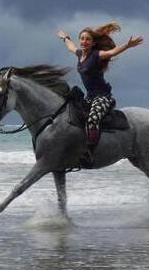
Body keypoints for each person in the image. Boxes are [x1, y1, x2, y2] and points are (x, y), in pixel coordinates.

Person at [56, 21, 143, 163]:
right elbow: (71, 47)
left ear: (93, 42)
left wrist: (127, 45)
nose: (84, 41)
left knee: (92, 120)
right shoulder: (79, 54)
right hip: (89, 97)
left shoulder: (97, 55)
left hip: (103, 97)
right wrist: (65, 38)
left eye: (88, 39)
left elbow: (112, 52)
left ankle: (89, 152)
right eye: (82, 38)